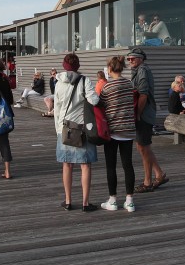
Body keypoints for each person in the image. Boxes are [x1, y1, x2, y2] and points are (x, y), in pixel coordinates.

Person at [53, 53, 100, 210]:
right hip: (81, 128)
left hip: (64, 128)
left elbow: (57, 109)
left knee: (67, 165)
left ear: (64, 65)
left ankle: (68, 201)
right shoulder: (85, 80)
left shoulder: (58, 82)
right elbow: (94, 100)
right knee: (85, 165)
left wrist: (58, 130)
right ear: (78, 66)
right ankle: (85, 203)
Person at [98, 56, 137, 213]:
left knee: (111, 166)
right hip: (128, 129)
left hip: (113, 130)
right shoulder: (129, 84)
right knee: (128, 165)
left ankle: (113, 200)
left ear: (109, 68)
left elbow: (101, 105)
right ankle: (130, 201)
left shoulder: (107, 87)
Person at [127, 48, 167, 193]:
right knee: (143, 146)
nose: (130, 61)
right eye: (129, 59)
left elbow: (143, 95)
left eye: (133, 58)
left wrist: (137, 114)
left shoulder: (142, 70)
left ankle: (148, 182)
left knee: (143, 147)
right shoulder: (138, 70)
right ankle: (159, 174)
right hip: (144, 114)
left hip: (144, 115)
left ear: (141, 59)